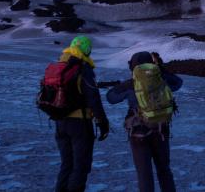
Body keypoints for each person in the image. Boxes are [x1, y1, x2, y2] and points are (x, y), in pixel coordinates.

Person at [107, 51, 183, 192]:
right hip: (161, 129)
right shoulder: (162, 79)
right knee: (164, 170)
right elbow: (178, 83)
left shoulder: (131, 84)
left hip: (138, 133)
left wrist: (123, 86)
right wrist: (161, 69)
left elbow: (110, 98)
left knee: (144, 174)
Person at [55, 36, 110, 192]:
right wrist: (102, 122)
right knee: (80, 166)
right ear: (86, 49)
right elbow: (93, 98)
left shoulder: (60, 64)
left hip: (60, 122)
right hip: (79, 124)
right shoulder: (82, 68)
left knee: (66, 164)